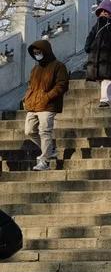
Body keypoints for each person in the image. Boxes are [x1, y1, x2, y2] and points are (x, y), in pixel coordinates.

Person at [21, 39, 68, 172]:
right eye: (35, 52)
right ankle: (50, 149)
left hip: (48, 105)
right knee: (29, 131)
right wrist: (27, 98)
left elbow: (62, 85)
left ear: (46, 51)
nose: (37, 54)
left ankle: (44, 161)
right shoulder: (35, 68)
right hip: (33, 105)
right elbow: (31, 86)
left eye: (39, 52)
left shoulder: (58, 66)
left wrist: (47, 97)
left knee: (45, 131)